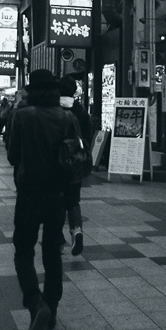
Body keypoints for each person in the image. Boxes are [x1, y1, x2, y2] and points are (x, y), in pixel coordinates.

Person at [6, 69, 79, 330]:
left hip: (29, 193)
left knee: (24, 250)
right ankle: (52, 310)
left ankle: (36, 303)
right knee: (52, 251)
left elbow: (13, 155)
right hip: (58, 195)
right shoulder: (67, 117)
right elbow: (75, 155)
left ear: (31, 90)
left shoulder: (21, 116)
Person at [59, 76, 92, 256]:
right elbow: (87, 133)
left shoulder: (54, 108)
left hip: (57, 161)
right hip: (76, 161)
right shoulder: (79, 109)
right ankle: (77, 229)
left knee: (56, 201)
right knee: (73, 199)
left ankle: (58, 239)